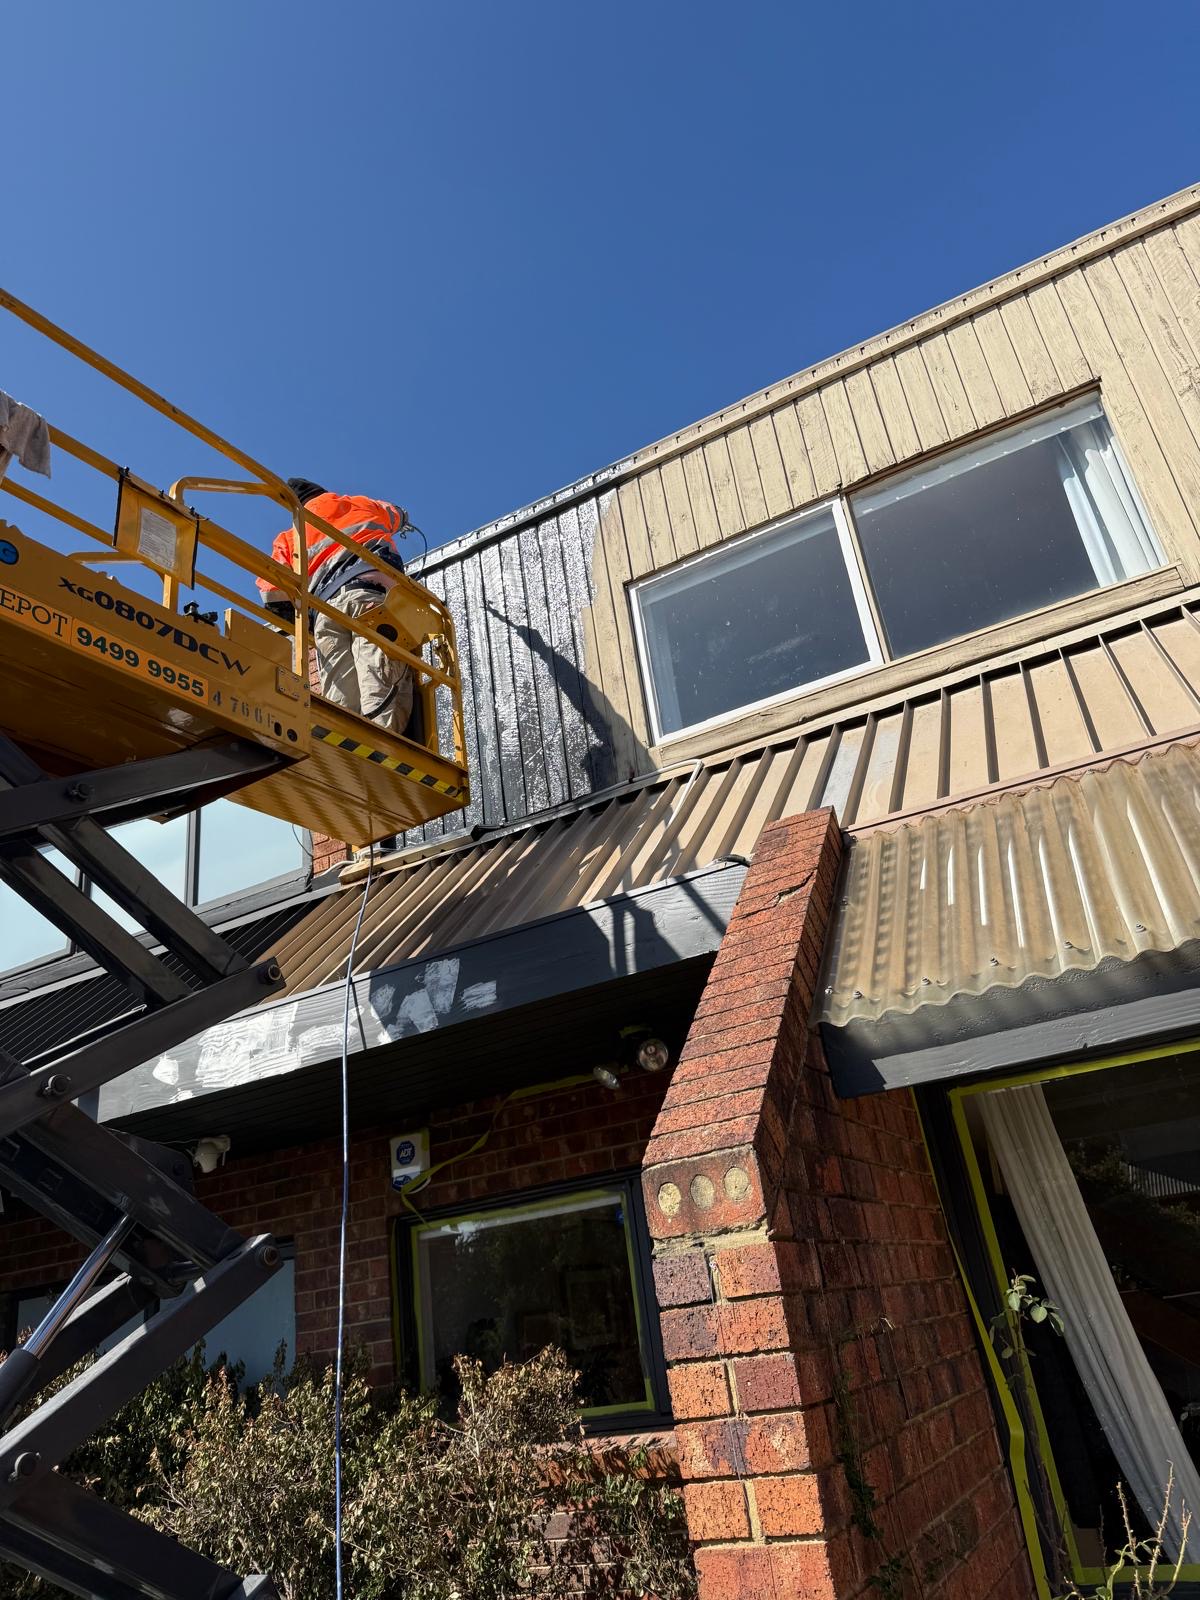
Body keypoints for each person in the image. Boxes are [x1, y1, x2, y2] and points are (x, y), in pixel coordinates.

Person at [258, 478, 414, 734]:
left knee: (341, 701)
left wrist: (305, 622)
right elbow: (396, 514)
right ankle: (384, 751)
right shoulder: (357, 504)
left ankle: (349, 753)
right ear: (322, 492)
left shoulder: (288, 537)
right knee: (378, 684)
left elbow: (271, 596)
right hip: (369, 597)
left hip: (325, 615)